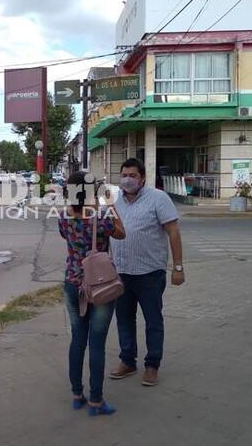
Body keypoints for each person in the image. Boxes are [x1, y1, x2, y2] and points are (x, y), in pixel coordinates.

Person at [109, 158, 185, 387]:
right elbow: (108, 231)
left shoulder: (158, 198)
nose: (127, 179)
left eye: (132, 175)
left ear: (142, 178)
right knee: (124, 320)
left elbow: (173, 231)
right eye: (124, 175)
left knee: (153, 320)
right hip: (121, 273)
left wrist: (178, 267)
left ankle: (152, 365)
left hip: (150, 273)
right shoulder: (114, 201)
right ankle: (128, 361)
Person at [58, 172, 126, 416]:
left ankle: (77, 394)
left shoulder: (63, 216)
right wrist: (109, 204)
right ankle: (96, 401)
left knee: (78, 339)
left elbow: (67, 238)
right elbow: (121, 233)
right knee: (96, 343)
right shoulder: (102, 216)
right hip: (100, 286)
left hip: (73, 283)